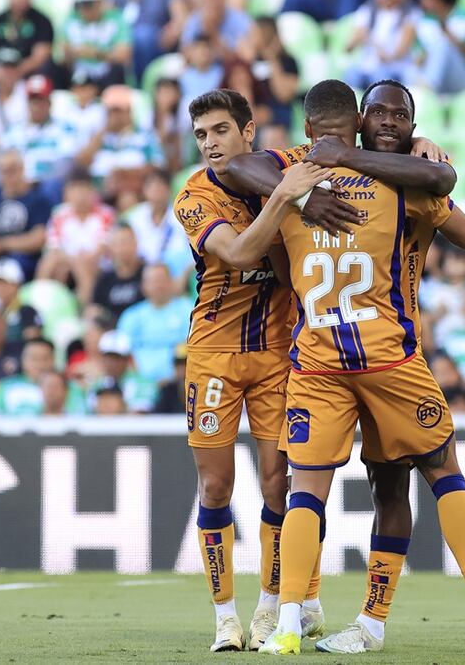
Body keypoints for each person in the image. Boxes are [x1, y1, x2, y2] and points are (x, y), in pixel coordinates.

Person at [253, 80, 465, 655]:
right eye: (381, 114)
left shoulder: (291, 179)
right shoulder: (407, 188)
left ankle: (290, 627)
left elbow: (239, 171)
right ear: (357, 122)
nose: (392, 123)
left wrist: (297, 199)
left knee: (309, 493)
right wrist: (424, 193)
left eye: (403, 117)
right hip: (390, 357)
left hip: (318, 360)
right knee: (439, 472)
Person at [171, 89, 338, 652]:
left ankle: (271, 607)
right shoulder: (193, 197)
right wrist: (286, 198)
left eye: (220, 131)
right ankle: (224, 616)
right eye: (201, 135)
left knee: (277, 482)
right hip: (213, 354)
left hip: (278, 356)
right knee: (216, 485)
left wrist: (423, 144)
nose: (210, 144)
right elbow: (240, 253)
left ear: (249, 131)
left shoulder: (284, 164)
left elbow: (347, 144)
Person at [76, 85, 166, 204]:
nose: (114, 116)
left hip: (130, 188)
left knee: (127, 199)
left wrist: (125, 173)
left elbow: (158, 166)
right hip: (97, 188)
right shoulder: (97, 136)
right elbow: (81, 162)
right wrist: (104, 131)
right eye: (110, 111)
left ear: (129, 111)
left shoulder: (145, 135)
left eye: (118, 111)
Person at [0, 74, 80, 206]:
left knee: (52, 187)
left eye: (41, 100)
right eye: (33, 100)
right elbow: (1, 159)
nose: (37, 105)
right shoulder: (13, 130)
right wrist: (19, 181)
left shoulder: (65, 129)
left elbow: (66, 165)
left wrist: (38, 180)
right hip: (16, 183)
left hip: (46, 183)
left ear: (49, 102)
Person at [37, 169, 116, 303]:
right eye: (75, 190)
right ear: (67, 194)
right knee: (48, 264)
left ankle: (83, 308)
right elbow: (53, 247)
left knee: (82, 267)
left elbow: (103, 247)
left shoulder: (106, 214)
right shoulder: (60, 214)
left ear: (92, 192)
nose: (80, 196)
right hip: (67, 260)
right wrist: (72, 260)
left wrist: (80, 260)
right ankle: (42, 304)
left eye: (84, 190)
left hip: (97, 263)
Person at [0, 149, 52, 279]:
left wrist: (3, 244)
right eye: (3, 171)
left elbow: (38, 239)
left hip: (21, 258)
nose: (8, 175)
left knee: (13, 266)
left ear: (22, 169)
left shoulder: (38, 199)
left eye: (12, 169)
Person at [116, 264, 194, 384]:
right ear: (143, 286)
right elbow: (121, 352)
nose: (158, 286)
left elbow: (192, 346)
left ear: (171, 282)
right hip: (139, 384)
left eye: (162, 280)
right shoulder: (131, 316)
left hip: (179, 381)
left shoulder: (188, 310)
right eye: (153, 281)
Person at [0, 0, 55, 94]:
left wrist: (14, 72)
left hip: (27, 73)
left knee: (49, 74)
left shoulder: (42, 22)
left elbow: (40, 57)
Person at [0, 338, 86, 416]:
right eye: (34, 358)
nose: (39, 364)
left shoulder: (71, 389)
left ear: (54, 360)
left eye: (44, 358)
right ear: (23, 360)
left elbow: (80, 418)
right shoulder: (4, 387)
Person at [414, 0, 465, 94]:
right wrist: (432, 51)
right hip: (430, 77)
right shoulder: (423, 21)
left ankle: (428, 89)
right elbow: (417, 62)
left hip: (463, 79)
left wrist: (452, 39)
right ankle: (428, 87)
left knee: (443, 44)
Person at [342, 0, 418, 90]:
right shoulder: (367, 10)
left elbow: (399, 53)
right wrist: (356, 39)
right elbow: (347, 49)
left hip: (395, 67)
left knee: (380, 75)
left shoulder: (410, 14)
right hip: (367, 66)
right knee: (351, 73)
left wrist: (378, 48)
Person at [62, 0, 131, 89]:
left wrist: (96, 53)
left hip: (106, 73)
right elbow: (62, 53)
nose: (83, 9)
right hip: (78, 72)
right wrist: (73, 52)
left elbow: (124, 55)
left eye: (88, 4)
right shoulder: (71, 19)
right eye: (79, 5)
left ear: (100, 2)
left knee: (117, 69)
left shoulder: (116, 18)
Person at [87, 330, 158, 413]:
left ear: (128, 358)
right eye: (108, 357)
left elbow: (139, 414)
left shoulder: (144, 383)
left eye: (117, 357)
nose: (111, 363)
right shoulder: (94, 384)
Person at [179, 0, 262, 64]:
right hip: (205, 71)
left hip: (230, 73)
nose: (214, 3)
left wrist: (213, 34)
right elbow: (185, 54)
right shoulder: (195, 20)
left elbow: (249, 57)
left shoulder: (239, 20)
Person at [92, 224, 146, 319]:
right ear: (111, 248)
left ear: (136, 243)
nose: (123, 248)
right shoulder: (105, 280)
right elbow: (94, 309)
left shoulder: (147, 274)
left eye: (126, 242)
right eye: (118, 244)